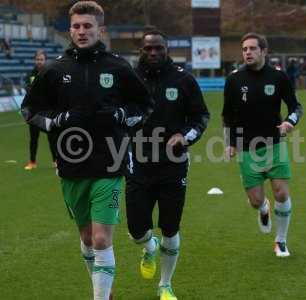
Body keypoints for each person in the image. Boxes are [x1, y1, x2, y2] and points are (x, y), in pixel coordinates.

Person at [20, 1, 153, 299]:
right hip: (71, 164)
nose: (82, 31)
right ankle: (103, 288)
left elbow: (145, 107)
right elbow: (29, 110)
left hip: (110, 162)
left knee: (102, 239)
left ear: (100, 29)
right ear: (70, 30)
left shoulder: (118, 67)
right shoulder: (55, 69)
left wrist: (121, 115)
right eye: (77, 26)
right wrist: (56, 122)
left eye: (88, 26)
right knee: (87, 238)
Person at [125, 29, 209, 300]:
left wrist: (184, 136)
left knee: (170, 228)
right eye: (148, 48)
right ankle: (149, 247)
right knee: (136, 231)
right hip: (137, 161)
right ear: (141, 50)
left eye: (158, 48)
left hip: (173, 164)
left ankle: (165, 284)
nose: (153, 53)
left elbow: (201, 117)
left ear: (166, 49)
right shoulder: (129, 79)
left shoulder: (184, 80)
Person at [222, 32, 303, 257]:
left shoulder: (279, 77)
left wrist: (289, 122)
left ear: (264, 51)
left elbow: (296, 107)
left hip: (274, 144)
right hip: (246, 147)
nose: (247, 52)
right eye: (244, 49)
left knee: (281, 193)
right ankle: (263, 208)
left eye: (252, 48)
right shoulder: (234, 79)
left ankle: (281, 241)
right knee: (256, 201)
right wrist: (230, 142)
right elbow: (227, 115)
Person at [24, 50, 58, 170]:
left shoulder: (50, 73)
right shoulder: (30, 75)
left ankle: (55, 161)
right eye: (37, 59)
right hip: (33, 112)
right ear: (35, 60)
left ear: (45, 60)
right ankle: (32, 162)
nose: (39, 62)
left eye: (41, 59)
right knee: (34, 138)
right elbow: (28, 90)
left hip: (48, 112)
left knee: (52, 137)